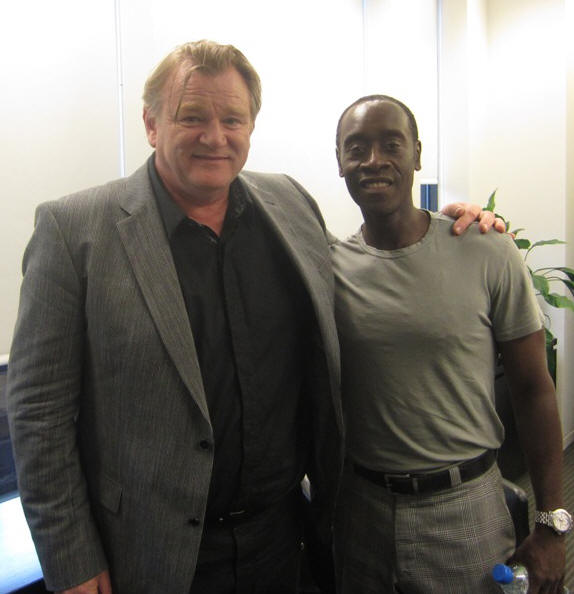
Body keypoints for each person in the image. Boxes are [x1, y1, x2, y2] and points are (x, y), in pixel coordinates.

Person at [6, 41, 497, 594]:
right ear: (150, 123)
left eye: (232, 119)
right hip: (151, 553)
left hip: (284, 539)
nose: (215, 136)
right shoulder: (74, 231)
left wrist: (450, 227)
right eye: (192, 116)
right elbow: (37, 414)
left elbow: (368, 269)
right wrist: (70, 559)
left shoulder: (287, 203)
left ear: (251, 125)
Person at [331, 94, 571, 594]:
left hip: (465, 511)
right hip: (361, 510)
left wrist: (551, 523)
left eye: (390, 144)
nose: (373, 161)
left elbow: (533, 389)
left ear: (417, 154)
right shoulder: (327, 267)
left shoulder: (486, 250)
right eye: (357, 148)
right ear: (340, 163)